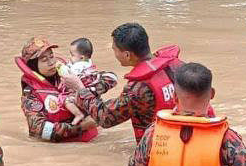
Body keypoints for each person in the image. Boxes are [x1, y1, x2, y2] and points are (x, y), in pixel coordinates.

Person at [63, 22, 214, 143]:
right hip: (196, 136)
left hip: (162, 147)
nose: (114, 53)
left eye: (114, 49)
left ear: (127, 55)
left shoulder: (138, 88)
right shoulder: (176, 64)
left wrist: (80, 89)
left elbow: (105, 118)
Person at [18, 37, 118, 142]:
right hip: (65, 148)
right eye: (44, 60)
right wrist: (82, 126)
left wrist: (84, 89)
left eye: (52, 57)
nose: (51, 62)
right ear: (33, 66)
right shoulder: (31, 94)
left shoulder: (69, 73)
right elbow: (39, 130)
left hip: (94, 140)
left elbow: (108, 78)